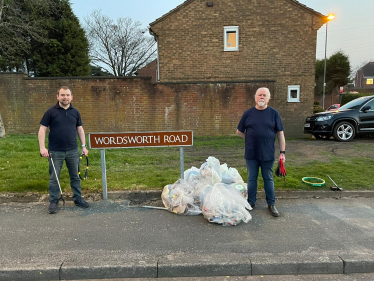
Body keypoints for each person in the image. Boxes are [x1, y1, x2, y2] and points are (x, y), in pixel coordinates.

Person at [38, 86, 89, 214]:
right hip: (55, 151)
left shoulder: (75, 112)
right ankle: (53, 201)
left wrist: (84, 146)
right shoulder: (51, 112)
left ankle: (77, 198)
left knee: (75, 176)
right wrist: (42, 148)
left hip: (73, 150)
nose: (65, 97)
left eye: (67, 95)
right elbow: (42, 130)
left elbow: (80, 130)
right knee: (54, 178)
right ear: (57, 96)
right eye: (62, 95)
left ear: (71, 97)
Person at [236, 87, 285, 217]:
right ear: (255, 98)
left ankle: (271, 204)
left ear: (268, 98)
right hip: (251, 153)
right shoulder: (248, 113)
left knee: (268, 178)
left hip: (268, 153)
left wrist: (282, 152)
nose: (261, 97)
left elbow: (280, 134)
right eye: (259, 95)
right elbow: (239, 131)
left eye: (264, 95)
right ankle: (251, 202)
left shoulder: (274, 113)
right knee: (252, 178)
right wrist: (249, 139)